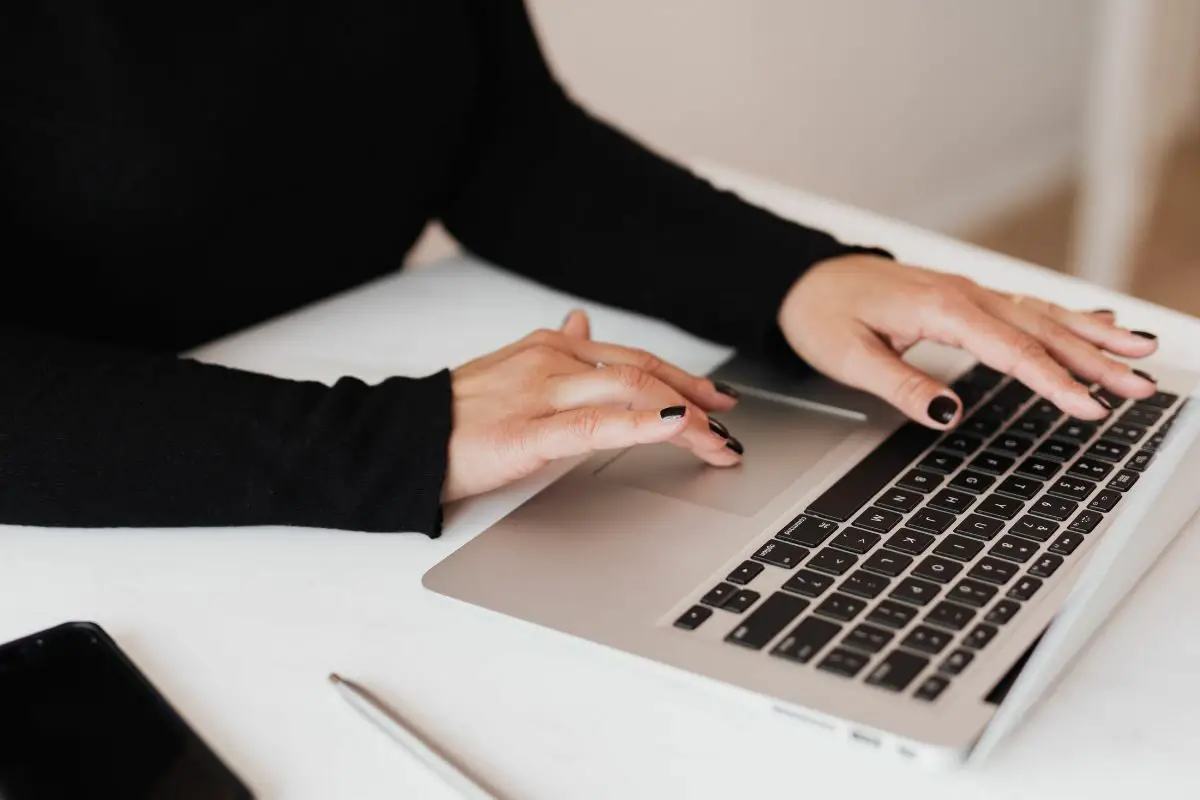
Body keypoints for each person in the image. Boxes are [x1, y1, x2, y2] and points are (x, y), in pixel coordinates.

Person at [0, 1, 1158, 535]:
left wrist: (799, 281)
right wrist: (406, 440)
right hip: (100, 516)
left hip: (324, 421)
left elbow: (495, 136)